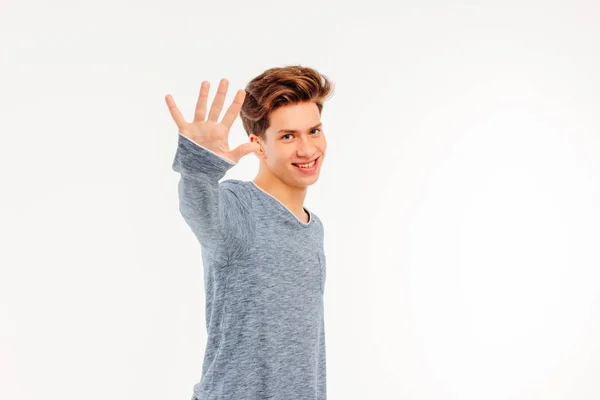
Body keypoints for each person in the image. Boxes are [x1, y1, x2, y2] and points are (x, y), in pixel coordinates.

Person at [166, 65, 335, 400]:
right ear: (258, 145)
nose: (307, 149)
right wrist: (199, 166)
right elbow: (198, 209)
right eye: (288, 136)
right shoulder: (237, 207)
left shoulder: (313, 227)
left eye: (313, 131)